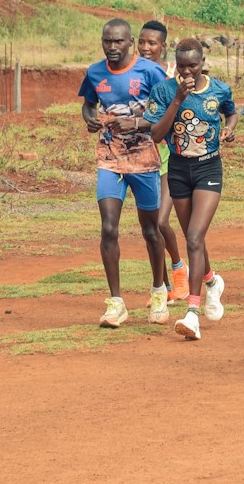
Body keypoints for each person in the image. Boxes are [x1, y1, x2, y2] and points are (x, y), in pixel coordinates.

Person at [80, 19, 171, 329]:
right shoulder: (95, 72)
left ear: (130, 42)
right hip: (109, 157)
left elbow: (168, 109)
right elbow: (88, 104)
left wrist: (137, 123)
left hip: (144, 158)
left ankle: (159, 291)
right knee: (108, 228)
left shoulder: (150, 71)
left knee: (151, 230)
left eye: (118, 41)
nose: (112, 47)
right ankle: (116, 302)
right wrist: (90, 119)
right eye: (107, 41)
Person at [145, 38, 234, 340]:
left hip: (209, 168)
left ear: (202, 63)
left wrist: (230, 127)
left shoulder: (219, 89)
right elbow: (156, 134)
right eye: (181, 66)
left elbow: (231, 111)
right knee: (192, 238)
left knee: (195, 236)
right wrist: (177, 100)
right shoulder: (163, 91)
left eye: (192, 66)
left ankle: (192, 313)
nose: (186, 72)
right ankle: (212, 281)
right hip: (179, 170)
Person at [136, 19, 190, 311]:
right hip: (139, 158)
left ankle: (179, 268)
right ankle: (163, 287)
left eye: (152, 43)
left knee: (160, 221)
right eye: (142, 42)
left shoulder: (171, 76)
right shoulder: (131, 72)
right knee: (149, 227)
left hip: (168, 157)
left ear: (163, 46)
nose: (146, 48)